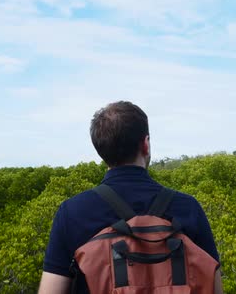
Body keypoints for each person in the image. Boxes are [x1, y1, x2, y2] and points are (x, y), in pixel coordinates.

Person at [39, 101, 223, 294]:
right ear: (145, 144)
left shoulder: (72, 212)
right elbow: (214, 286)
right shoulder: (188, 208)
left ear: (101, 151)